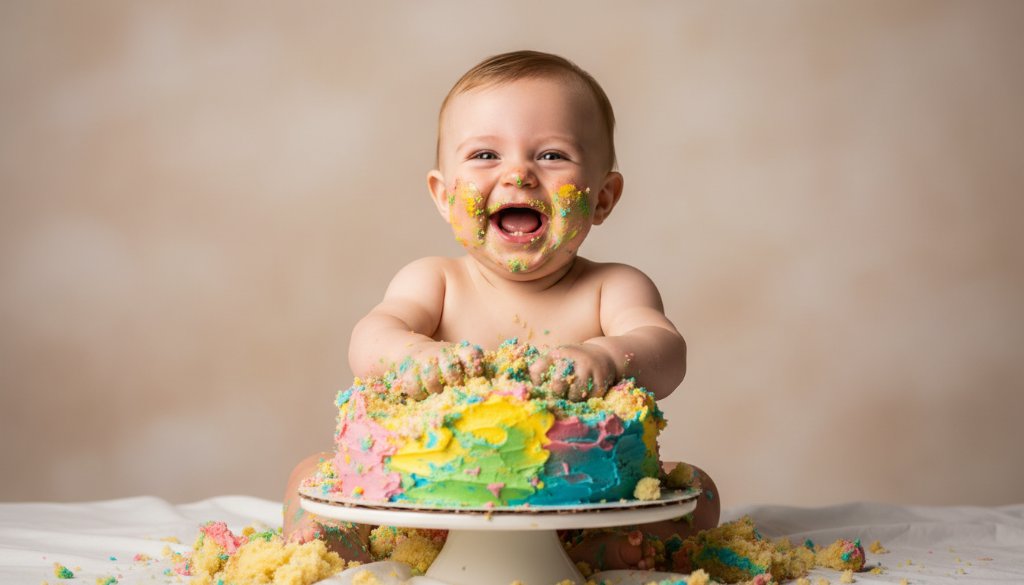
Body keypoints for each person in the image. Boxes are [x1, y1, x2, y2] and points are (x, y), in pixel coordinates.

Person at [282, 49, 719, 572]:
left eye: (552, 155)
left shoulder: (611, 287)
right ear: (444, 198)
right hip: (422, 498)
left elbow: (666, 350)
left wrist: (604, 356)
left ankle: (593, 549)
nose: (519, 174)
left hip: (575, 501)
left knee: (697, 486)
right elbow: (372, 335)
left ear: (602, 197)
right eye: (485, 155)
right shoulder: (436, 280)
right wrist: (411, 353)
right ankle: (326, 542)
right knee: (309, 471)